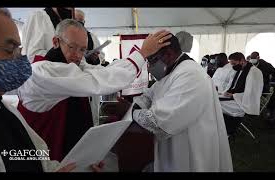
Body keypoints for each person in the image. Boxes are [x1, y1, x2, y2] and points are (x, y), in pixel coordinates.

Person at [16, 19, 172, 162]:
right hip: (43, 158)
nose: (77, 56)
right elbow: (100, 80)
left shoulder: (75, 65)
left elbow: (102, 72)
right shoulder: (40, 72)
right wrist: (142, 53)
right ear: (56, 42)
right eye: (72, 47)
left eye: (82, 50)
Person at [0, 8, 103, 172]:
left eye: (19, 49)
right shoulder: (42, 67)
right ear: (55, 42)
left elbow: (34, 160)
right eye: (9, 49)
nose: (18, 58)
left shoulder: (3, 109)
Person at [118, 34, 233, 172]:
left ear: (168, 54)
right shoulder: (172, 71)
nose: (149, 68)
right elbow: (149, 96)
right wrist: (133, 106)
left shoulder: (190, 74)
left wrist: (130, 111)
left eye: (151, 60)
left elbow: (158, 123)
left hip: (191, 148)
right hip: (176, 144)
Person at [220, 52, 263, 135]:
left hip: (243, 102)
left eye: (234, 63)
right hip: (236, 98)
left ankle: (227, 130)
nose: (233, 66)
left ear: (242, 61)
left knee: (216, 103)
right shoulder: (239, 70)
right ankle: (224, 128)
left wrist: (234, 95)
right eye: (231, 64)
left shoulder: (254, 72)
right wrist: (225, 92)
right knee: (215, 100)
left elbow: (252, 93)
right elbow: (231, 86)